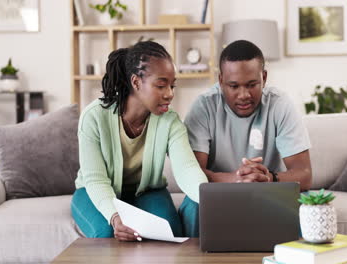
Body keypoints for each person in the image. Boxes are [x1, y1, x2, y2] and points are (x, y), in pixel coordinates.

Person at [71, 41, 208, 241]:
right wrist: (115, 216)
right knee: (108, 235)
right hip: (92, 191)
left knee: (169, 233)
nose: (169, 93)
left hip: (147, 192)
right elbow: (95, 179)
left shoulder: (170, 122)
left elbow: (186, 168)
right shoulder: (93, 117)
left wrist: (208, 201)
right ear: (136, 82)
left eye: (172, 85)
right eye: (161, 85)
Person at [179, 40, 312, 237]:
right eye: (233, 86)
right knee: (193, 203)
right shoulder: (204, 106)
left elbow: (305, 174)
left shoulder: (280, 104)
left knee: (308, 205)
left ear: (264, 78)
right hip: (220, 191)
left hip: (270, 189)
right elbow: (193, 174)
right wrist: (236, 179)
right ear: (221, 80)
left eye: (252, 85)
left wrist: (269, 178)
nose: (243, 95)